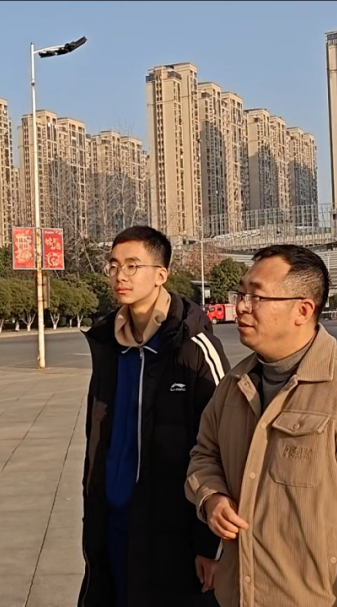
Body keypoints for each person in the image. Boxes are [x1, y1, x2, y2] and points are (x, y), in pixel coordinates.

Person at [186, 244, 337, 607]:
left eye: (257, 296)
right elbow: (204, 455)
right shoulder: (234, 387)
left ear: (303, 310)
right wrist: (212, 497)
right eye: (241, 294)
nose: (242, 307)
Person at [80, 226, 230, 607]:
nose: (121, 276)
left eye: (133, 266)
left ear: (161, 274)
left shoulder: (194, 348)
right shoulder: (109, 345)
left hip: (172, 533)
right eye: (114, 266)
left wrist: (210, 545)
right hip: (113, 522)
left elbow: (223, 445)